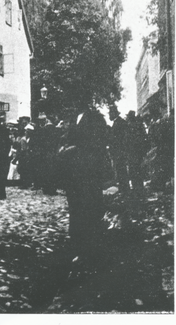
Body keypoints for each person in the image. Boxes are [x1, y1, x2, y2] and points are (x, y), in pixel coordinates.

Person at [62, 102, 110, 265]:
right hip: (74, 175)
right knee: (75, 209)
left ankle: (91, 250)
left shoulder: (96, 119)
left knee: (89, 209)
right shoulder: (74, 119)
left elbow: (98, 146)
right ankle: (77, 246)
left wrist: (75, 149)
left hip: (88, 174)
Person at [109, 104, 130, 193]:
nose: (109, 115)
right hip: (118, 151)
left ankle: (125, 190)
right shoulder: (117, 122)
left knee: (121, 171)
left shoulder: (120, 123)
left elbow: (123, 138)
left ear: (114, 113)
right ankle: (123, 189)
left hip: (120, 151)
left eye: (110, 113)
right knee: (120, 170)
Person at [126, 110, 148, 194]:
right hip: (137, 153)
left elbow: (127, 140)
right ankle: (139, 189)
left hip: (133, 153)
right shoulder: (139, 126)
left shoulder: (130, 127)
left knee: (134, 172)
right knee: (138, 172)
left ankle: (137, 190)